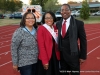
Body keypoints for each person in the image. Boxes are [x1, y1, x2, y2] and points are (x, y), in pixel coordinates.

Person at [56, 4, 87, 75]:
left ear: (70, 11)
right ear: (60, 12)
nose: (64, 12)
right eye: (62, 10)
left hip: (73, 56)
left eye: (66, 9)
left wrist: (83, 56)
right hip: (62, 57)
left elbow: (83, 40)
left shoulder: (78, 23)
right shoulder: (58, 24)